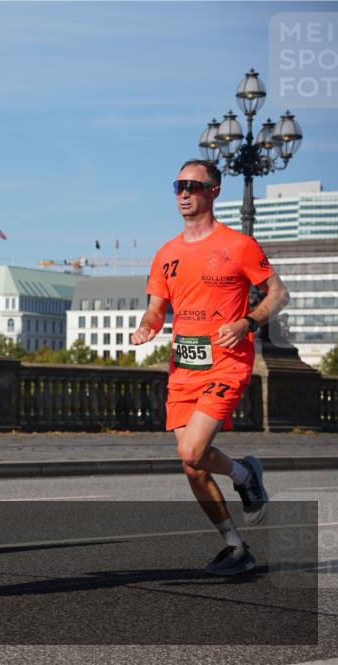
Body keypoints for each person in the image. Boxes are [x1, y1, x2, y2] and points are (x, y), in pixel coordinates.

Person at [132, 159, 289, 576]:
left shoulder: (238, 245)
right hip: (183, 368)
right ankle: (236, 547)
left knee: (192, 451)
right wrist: (147, 327)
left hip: (227, 363)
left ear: (214, 191)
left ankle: (244, 473)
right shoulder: (166, 253)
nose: (184, 193)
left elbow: (278, 292)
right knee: (191, 466)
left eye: (193, 186)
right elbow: (155, 309)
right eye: (178, 186)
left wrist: (248, 321)